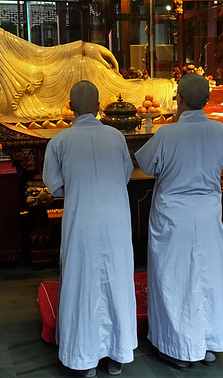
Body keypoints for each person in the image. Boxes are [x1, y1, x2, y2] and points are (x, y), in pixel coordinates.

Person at [0, 12, 176, 122]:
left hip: (67, 73)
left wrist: (85, 47)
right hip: (51, 109)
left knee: (125, 93)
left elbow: (43, 54)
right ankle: (175, 94)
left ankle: (170, 92)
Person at [134, 73, 223, 371]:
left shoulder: (167, 133)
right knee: (207, 277)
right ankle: (206, 343)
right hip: (208, 215)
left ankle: (177, 347)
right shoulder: (219, 131)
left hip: (174, 217)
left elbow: (147, 164)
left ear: (181, 99)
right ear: (206, 100)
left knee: (173, 279)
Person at [42, 80, 137, 377]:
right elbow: (124, 175)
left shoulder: (59, 141)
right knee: (117, 279)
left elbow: (54, 185)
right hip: (116, 221)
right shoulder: (116, 137)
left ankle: (83, 357)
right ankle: (117, 354)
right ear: (98, 107)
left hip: (80, 219)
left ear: (70, 108)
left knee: (81, 281)